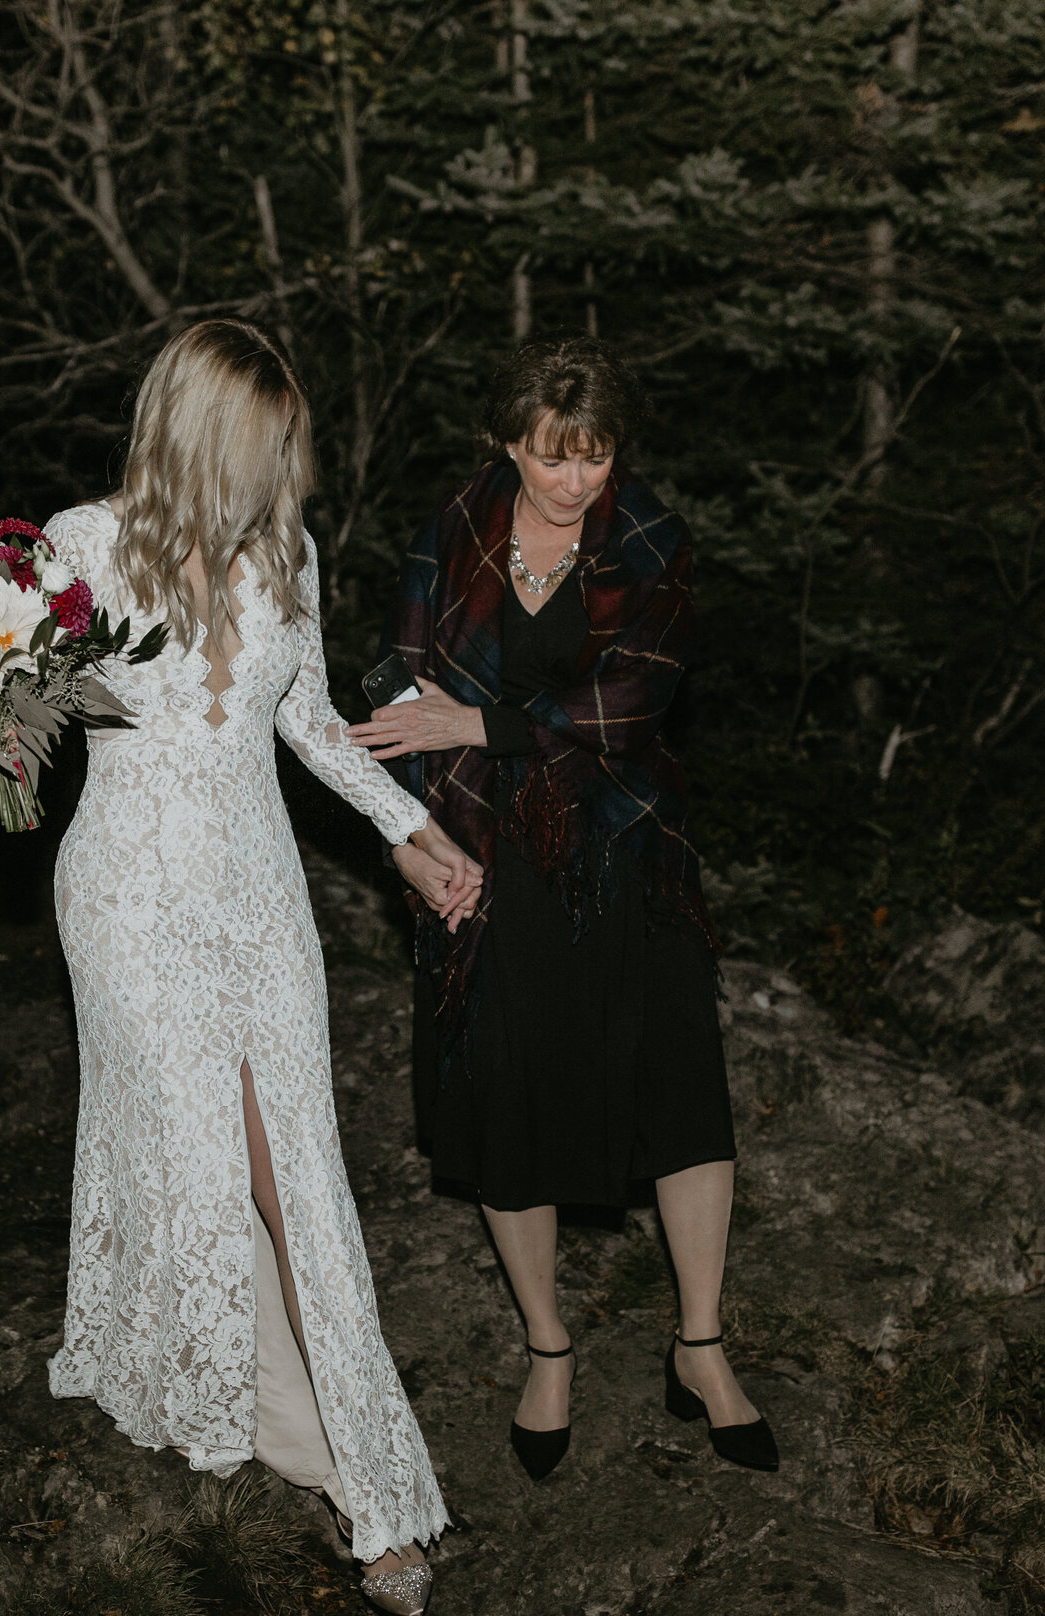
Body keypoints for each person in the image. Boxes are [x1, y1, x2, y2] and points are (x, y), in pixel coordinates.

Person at [41, 319, 479, 1616]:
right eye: (267, 448)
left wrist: (413, 831)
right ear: (199, 438)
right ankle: (342, 1471)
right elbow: (2, 694)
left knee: (298, 1172)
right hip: (127, 889)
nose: (287, 474)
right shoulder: (77, 546)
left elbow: (309, 720)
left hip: (256, 888)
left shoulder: (283, 547)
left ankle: (375, 1474)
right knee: (207, 1159)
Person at [347, 337, 777, 1480]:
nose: (573, 481)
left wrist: (480, 722)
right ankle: (549, 1345)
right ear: (507, 443)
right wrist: (410, 842)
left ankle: (700, 1343)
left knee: (679, 1084)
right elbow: (391, 690)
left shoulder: (652, 541)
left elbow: (632, 701)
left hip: (623, 842)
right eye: (549, 456)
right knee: (509, 1095)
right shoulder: (450, 531)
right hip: (484, 854)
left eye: (592, 456)